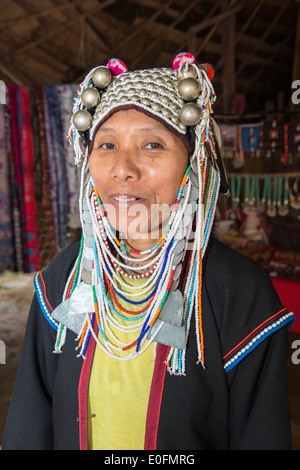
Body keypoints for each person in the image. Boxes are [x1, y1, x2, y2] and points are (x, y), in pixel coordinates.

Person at [2, 53, 295, 450]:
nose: (123, 168)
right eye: (106, 145)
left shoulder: (239, 294)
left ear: (193, 164)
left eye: (152, 144)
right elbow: (29, 426)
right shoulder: (61, 281)